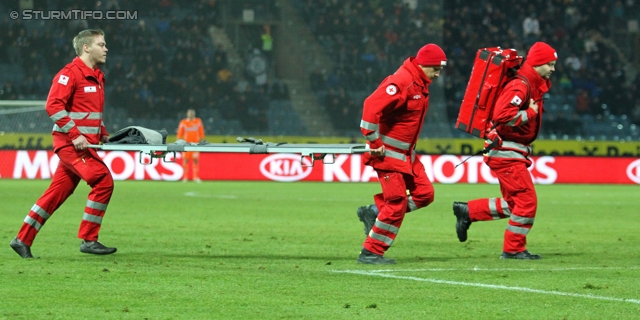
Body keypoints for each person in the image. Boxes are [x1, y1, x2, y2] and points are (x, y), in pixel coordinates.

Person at [9, 28, 116, 258]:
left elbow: (91, 112)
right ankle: (89, 239)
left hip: (85, 144)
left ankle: (21, 239)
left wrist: (103, 132)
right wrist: (75, 134)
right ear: (86, 47)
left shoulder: (96, 75)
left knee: (56, 193)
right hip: (72, 145)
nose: (106, 48)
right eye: (101, 44)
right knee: (103, 181)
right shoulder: (69, 74)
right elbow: (53, 106)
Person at [453, 42, 558, 260]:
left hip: (509, 150)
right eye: (550, 64)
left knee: (514, 204)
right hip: (506, 151)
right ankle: (513, 249)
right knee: (526, 202)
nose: (553, 69)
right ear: (538, 63)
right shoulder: (521, 85)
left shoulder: (530, 83)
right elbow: (502, 116)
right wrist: (529, 113)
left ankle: (469, 211)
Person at [355, 44, 446, 264]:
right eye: (435, 69)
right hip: (388, 154)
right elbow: (370, 106)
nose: (437, 74)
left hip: (406, 154)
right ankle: (371, 252)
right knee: (395, 202)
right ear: (423, 65)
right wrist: (373, 140)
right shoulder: (401, 82)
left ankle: (375, 211)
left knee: (425, 194)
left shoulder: (419, 82)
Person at [177, 109, 205, 182]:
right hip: (186, 145)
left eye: (192, 113)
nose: (191, 115)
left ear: (194, 114)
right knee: (185, 161)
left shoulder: (198, 121)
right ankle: (185, 177)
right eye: (190, 113)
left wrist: (201, 140)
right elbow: (179, 134)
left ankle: (196, 177)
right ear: (187, 114)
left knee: (195, 160)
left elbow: (201, 132)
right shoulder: (183, 122)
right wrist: (180, 142)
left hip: (195, 144)